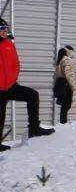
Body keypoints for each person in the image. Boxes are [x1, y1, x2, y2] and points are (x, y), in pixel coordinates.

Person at [0, 19, 56, 149]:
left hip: (11, 85)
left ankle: (34, 128)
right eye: (2, 28)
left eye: (5, 28)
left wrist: (12, 79)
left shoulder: (9, 44)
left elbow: (16, 64)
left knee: (32, 95)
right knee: (0, 115)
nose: (4, 30)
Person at [53, 44, 76, 124]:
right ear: (69, 51)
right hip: (67, 85)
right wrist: (72, 85)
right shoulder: (67, 60)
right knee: (66, 105)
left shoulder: (60, 60)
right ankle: (63, 122)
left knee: (64, 105)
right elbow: (68, 73)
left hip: (60, 84)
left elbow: (56, 75)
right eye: (72, 52)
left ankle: (63, 121)